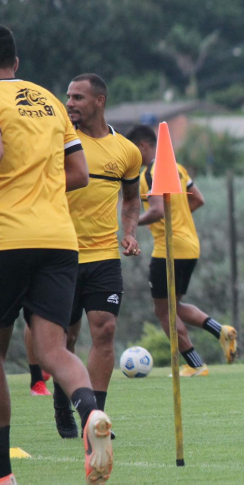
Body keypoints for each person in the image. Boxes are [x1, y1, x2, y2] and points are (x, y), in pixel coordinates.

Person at [0, 25, 112, 484]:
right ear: (17, 62)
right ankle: (89, 414)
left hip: (6, 236)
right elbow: (79, 172)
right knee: (53, 349)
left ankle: (3, 475)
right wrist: (37, 190)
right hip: (59, 239)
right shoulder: (48, 100)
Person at [25, 73, 142, 441]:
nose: (70, 103)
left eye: (77, 97)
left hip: (105, 255)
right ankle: (64, 403)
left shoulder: (127, 151)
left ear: (99, 101)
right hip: (61, 254)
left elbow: (132, 199)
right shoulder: (59, 142)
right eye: (68, 97)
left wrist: (129, 233)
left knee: (105, 329)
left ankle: (97, 418)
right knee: (66, 340)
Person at [127, 125, 238, 376]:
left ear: (143, 146)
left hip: (168, 249)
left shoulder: (149, 173)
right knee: (173, 306)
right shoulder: (177, 168)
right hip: (189, 245)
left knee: (163, 311)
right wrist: (179, 217)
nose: (132, 157)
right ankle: (220, 331)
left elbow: (155, 210)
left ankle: (196, 364)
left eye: (133, 150)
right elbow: (198, 198)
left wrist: (130, 225)